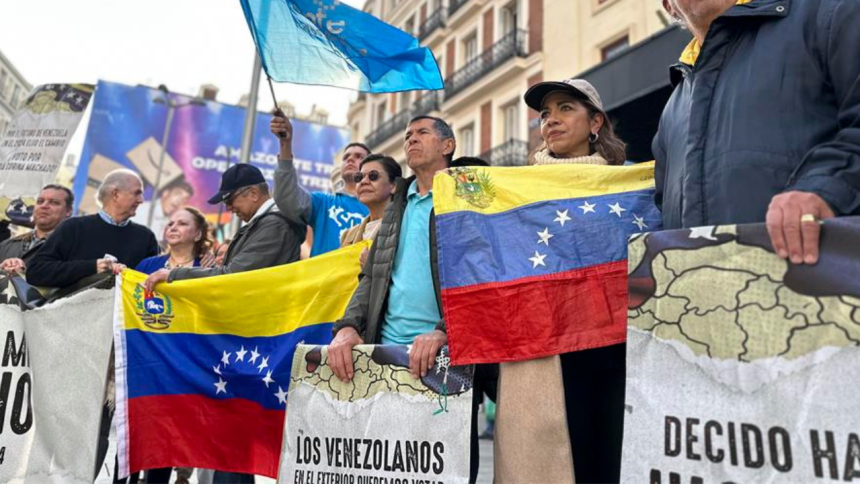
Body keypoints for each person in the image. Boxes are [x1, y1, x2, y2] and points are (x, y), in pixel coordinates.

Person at [325, 116, 490, 480]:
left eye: (422, 133)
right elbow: (373, 275)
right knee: (390, 469)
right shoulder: (399, 202)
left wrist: (446, 330)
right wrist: (350, 327)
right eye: (407, 135)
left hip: (447, 358)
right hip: (387, 355)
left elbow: (482, 271)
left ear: (448, 145)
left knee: (449, 469)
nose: (411, 139)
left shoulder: (467, 194)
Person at [655, 0, 860, 265]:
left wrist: (826, 189)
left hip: (836, 281)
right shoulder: (671, 111)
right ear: (669, 6)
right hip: (720, 297)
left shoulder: (830, 12)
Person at [502, 77, 627, 483]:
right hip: (542, 350)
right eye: (544, 113)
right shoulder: (515, 191)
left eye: (565, 108)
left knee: (608, 454)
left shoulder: (630, 183)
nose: (551, 120)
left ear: (596, 123)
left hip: (613, 348)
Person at [143, 163, 305, 292]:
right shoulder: (265, 224)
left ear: (254, 193)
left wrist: (174, 274)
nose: (228, 208)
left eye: (230, 200)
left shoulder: (274, 226)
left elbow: (232, 276)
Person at [27, 169, 158, 288]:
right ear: (115, 194)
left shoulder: (146, 238)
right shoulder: (73, 228)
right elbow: (36, 272)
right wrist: (93, 267)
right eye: (137, 193)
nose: (141, 200)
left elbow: (151, 284)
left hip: (120, 313)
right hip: (71, 312)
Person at [271, 114, 370, 256]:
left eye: (359, 157)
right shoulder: (324, 203)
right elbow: (286, 196)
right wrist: (285, 144)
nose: (350, 160)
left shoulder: (381, 208)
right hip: (325, 278)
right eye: (346, 157)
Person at [0, 185, 74, 304]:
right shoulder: (6, 245)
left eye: (54, 202)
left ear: (68, 211)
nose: (44, 206)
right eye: (40, 201)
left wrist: (23, 274)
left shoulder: (72, 251)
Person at [340, 154, 402, 265]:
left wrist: (375, 266)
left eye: (373, 176)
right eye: (359, 177)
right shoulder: (348, 235)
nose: (363, 181)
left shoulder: (405, 225)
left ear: (393, 186)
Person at [136, 206, 214, 273]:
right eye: (170, 224)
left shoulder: (208, 269)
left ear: (198, 234)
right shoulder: (146, 265)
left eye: (182, 223)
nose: (172, 228)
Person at [132, 177, 195, 242]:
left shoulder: (168, 222)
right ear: (166, 193)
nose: (179, 201)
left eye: (184, 199)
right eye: (177, 194)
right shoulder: (141, 210)